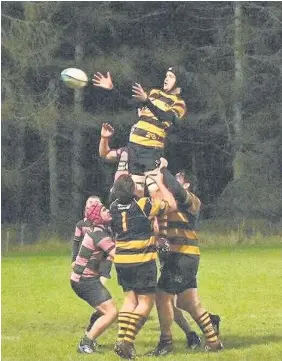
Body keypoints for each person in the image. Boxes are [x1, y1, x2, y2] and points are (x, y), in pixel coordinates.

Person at [148, 168, 223, 356]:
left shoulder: (191, 200)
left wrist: (160, 170)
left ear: (187, 184)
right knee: (188, 302)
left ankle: (166, 342)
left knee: (162, 296)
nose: (172, 184)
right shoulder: (170, 202)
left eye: (178, 179)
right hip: (181, 256)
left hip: (183, 256)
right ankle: (213, 342)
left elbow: (173, 187)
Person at [109, 165, 177, 359]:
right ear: (132, 190)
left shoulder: (112, 207)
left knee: (129, 300)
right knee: (146, 302)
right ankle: (126, 341)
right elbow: (170, 205)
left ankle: (123, 343)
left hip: (121, 260)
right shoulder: (143, 204)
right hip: (141, 259)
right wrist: (157, 183)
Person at [93, 66, 188, 195]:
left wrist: (147, 102)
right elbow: (128, 104)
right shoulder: (154, 93)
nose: (166, 79)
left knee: (157, 194)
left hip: (151, 150)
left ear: (179, 82)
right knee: (135, 193)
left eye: (171, 76)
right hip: (134, 147)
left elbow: (166, 117)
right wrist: (112, 89)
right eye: (166, 76)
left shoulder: (179, 103)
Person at [70, 200, 118, 354]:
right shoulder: (98, 233)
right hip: (84, 280)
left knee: (105, 308)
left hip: (85, 279)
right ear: (97, 215)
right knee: (111, 312)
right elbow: (116, 254)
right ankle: (85, 343)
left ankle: (90, 335)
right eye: (104, 209)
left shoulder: (102, 230)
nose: (108, 211)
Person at [71, 195, 112, 285]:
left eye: (96, 202)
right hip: (88, 256)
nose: (94, 204)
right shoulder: (81, 224)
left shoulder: (106, 225)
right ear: (86, 206)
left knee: (103, 275)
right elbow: (76, 242)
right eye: (91, 202)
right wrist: (74, 259)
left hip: (103, 256)